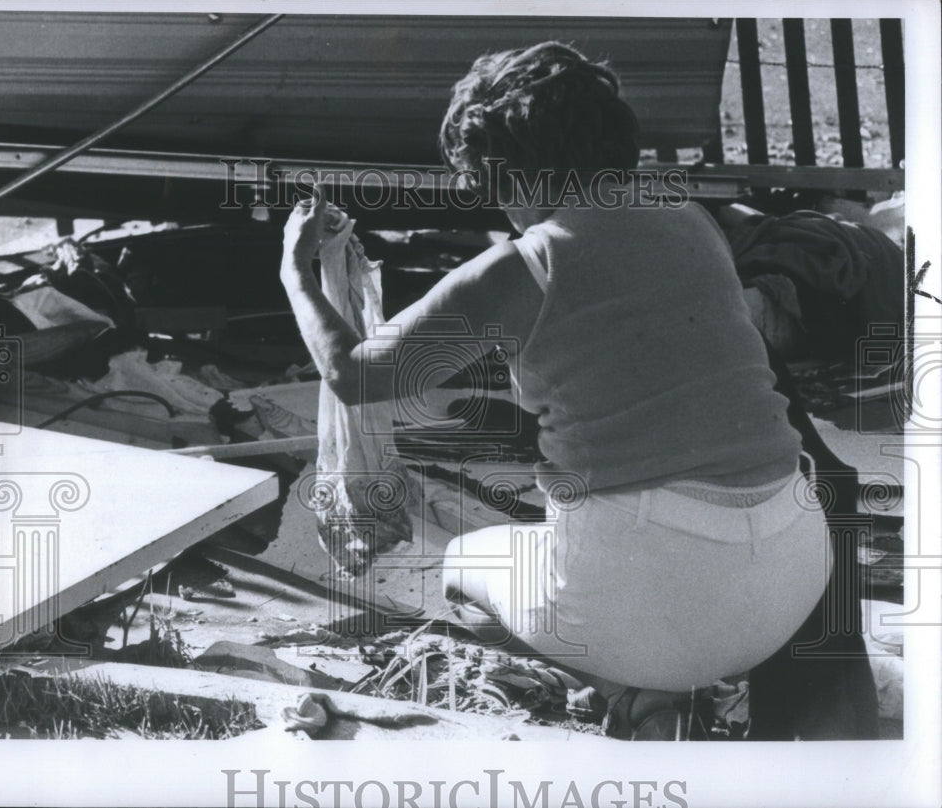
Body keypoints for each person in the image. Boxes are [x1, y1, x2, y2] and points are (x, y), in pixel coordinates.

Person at [280, 41, 831, 728]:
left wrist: (298, 275)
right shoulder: (691, 220)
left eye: (486, 184)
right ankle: (665, 675)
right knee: (594, 541)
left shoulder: (525, 265)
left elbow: (355, 374)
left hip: (667, 602)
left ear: (509, 174)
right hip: (792, 575)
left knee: (459, 565)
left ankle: (641, 691)